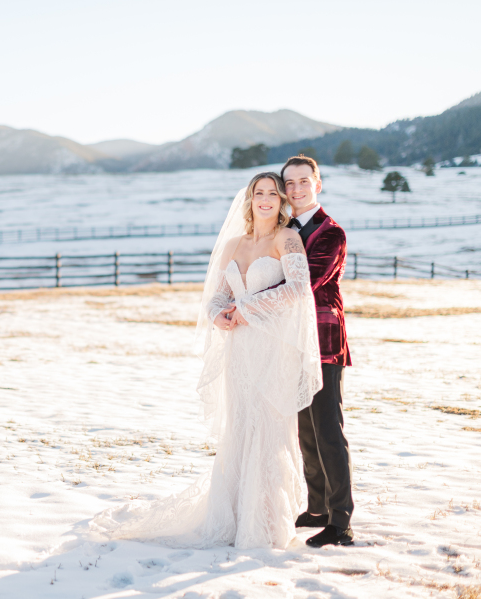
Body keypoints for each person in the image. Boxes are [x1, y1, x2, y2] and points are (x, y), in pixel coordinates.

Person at [90, 172, 322, 549]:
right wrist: (219, 315)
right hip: (239, 350)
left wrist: (247, 308)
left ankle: (264, 523)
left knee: (268, 429)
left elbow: (297, 289)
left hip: (271, 347)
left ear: (282, 202)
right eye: (258, 193)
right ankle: (232, 516)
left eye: (272, 194)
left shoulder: (288, 239)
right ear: (248, 199)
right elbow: (218, 297)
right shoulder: (234, 244)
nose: (265, 199)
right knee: (241, 427)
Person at [279, 155, 354, 548]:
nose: (296, 190)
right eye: (289, 183)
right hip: (292, 340)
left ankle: (341, 522)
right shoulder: (284, 229)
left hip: (323, 340)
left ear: (317, 184)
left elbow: (303, 283)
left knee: (327, 430)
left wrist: (253, 303)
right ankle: (318, 507)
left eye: (303, 181)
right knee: (305, 429)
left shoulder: (331, 233)